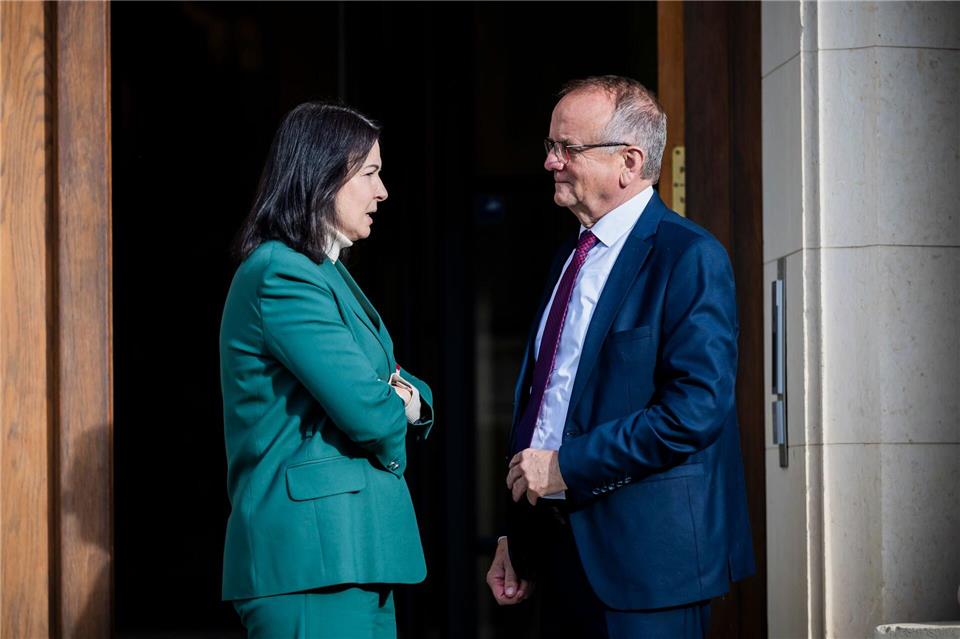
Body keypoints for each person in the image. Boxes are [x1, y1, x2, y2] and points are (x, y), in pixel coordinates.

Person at [485, 76, 755, 638]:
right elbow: (548, 402)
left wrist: (566, 467)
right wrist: (518, 533)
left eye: (568, 149)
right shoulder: (569, 256)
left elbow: (693, 413)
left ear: (628, 162)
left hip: (649, 566)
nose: (551, 162)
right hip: (557, 555)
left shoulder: (690, 257)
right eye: (550, 147)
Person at [220, 102, 434, 639]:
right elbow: (366, 410)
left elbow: (389, 383)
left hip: (346, 557)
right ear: (320, 175)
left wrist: (404, 397)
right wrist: (398, 404)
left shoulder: (320, 270)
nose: (382, 191)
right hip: (312, 562)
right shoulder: (282, 274)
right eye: (369, 174)